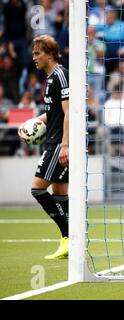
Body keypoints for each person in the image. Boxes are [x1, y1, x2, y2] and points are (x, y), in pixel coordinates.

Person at [18, 35, 69, 259]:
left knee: (37, 189)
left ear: (49, 53)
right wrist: (34, 122)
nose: (34, 57)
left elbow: (69, 112)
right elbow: (54, 113)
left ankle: (69, 236)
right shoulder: (49, 79)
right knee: (59, 192)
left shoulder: (61, 76)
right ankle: (70, 242)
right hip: (56, 140)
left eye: (37, 53)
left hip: (59, 143)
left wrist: (66, 145)